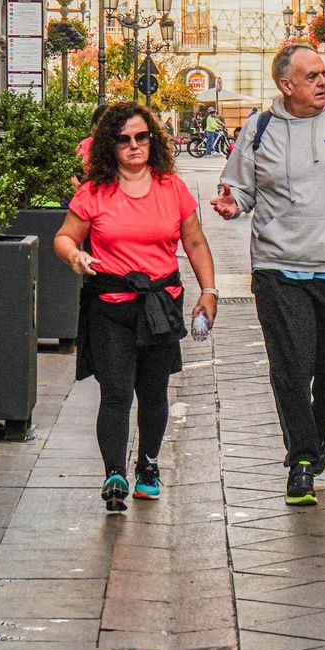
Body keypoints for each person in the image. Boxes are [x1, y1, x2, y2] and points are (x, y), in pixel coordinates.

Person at [211, 43, 325, 506]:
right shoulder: (259, 128)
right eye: (310, 76)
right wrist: (233, 203)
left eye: (322, 74)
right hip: (277, 266)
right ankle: (303, 461)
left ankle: (317, 431)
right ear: (285, 85)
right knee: (291, 369)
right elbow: (241, 188)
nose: (322, 82)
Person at [53, 103, 218, 513]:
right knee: (116, 392)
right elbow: (64, 237)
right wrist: (75, 256)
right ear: (110, 145)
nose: (133, 146)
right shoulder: (93, 192)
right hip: (109, 306)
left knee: (153, 392)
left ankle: (147, 466)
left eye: (141, 137)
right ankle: (114, 473)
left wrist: (209, 291)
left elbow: (194, 242)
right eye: (124, 139)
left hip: (160, 305)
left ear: (152, 140)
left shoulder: (172, 188)